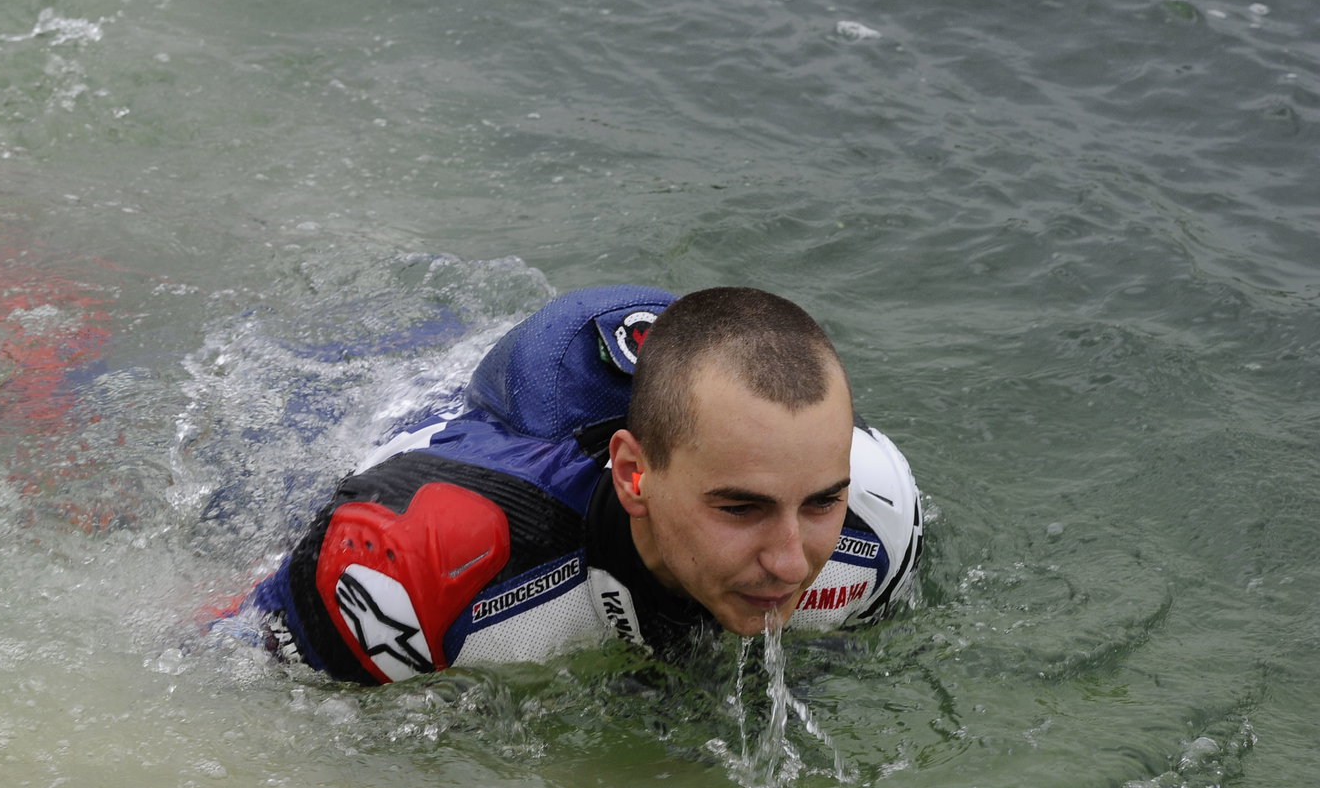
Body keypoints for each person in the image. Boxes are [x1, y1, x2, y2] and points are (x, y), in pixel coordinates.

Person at [203, 285, 923, 685]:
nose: (791, 562)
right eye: (741, 508)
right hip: (364, 401)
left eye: (821, 501)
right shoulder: (423, 560)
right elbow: (215, 670)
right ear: (635, 477)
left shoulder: (877, 525)